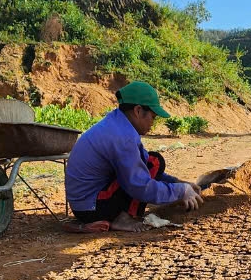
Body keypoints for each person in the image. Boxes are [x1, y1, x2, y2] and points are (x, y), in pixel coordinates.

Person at [64, 81, 203, 232]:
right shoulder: (123, 137)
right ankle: (120, 218)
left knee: (153, 162)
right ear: (138, 111)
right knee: (152, 165)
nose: (153, 123)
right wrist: (180, 191)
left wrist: (179, 183)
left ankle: (117, 215)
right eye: (153, 117)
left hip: (85, 203)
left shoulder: (117, 123)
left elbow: (143, 164)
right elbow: (140, 186)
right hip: (93, 208)